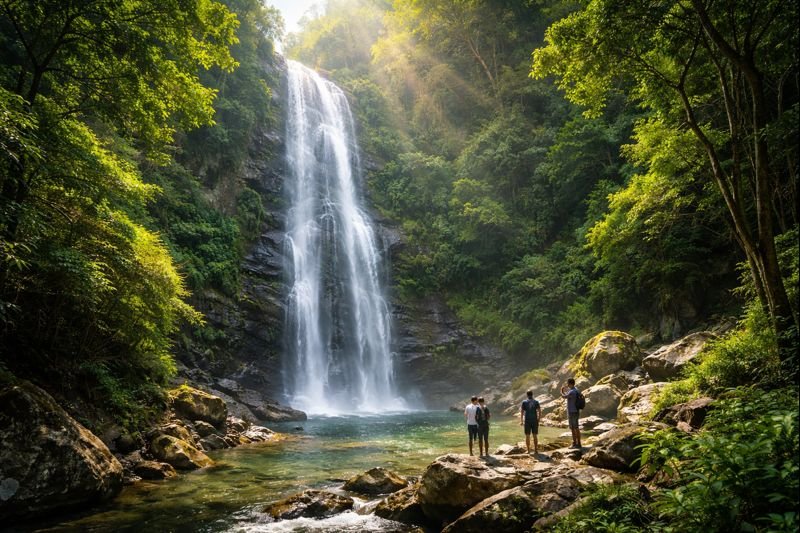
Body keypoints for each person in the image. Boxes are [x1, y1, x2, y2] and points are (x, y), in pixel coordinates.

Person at [560, 378, 581, 448]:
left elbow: (564, 396)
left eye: (567, 383)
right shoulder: (576, 390)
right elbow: (569, 396)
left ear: (570, 383)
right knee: (577, 427)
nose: (567, 384)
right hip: (576, 411)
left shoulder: (572, 391)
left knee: (573, 428)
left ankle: (575, 443)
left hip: (572, 412)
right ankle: (579, 443)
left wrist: (561, 391)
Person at [519, 390, 541, 454]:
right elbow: (539, 411)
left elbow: (522, 412)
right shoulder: (536, 402)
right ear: (532, 394)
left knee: (527, 435)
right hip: (534, 420)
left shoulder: (524, 402)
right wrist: (538, 420)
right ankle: (536, 450)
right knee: (535, 435)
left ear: (527, 395)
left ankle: (528, 451)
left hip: (527, 421)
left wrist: (521, 421)